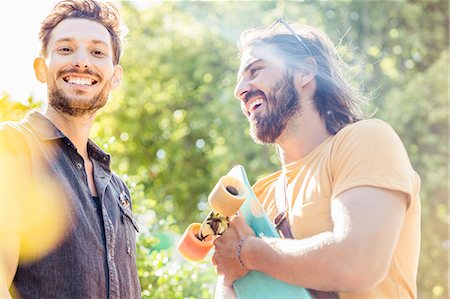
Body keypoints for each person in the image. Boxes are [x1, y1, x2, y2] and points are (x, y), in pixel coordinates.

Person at [212, 18, 421, 299]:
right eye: (239, 80)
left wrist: (246, 251)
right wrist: (227, 273)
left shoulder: (366, 140)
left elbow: (356, 263)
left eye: (256, 70)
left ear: (304, 71)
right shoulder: (257, 198)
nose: (240, 90)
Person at [0, 0, 141, 298]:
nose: (82, 61)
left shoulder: (118, 190)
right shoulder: (12, 148)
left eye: (97, 52)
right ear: (41, 68)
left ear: (115, 76)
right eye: (66, 49)